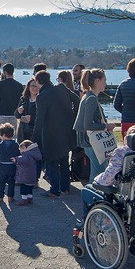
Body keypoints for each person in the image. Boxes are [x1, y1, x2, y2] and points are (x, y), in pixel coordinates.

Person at [31, 70, 76, 198]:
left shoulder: (42, 96)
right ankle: (65, 187)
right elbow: (77, 100)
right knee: (64, 160)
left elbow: (39, 119)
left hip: (50, 132)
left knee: (52, 161)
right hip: (66, 130)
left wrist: (33, 139)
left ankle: (54, 190)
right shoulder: (61, 88)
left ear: (38, 81)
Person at [73, 69, 116, 183]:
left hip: (87, 140)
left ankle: (92, 197)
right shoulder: (91, 99)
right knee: (100, 172)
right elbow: (88, 125)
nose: (105, 83)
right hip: (91, 141)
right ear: (97, 81)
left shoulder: (88, 96)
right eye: (104, 80)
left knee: (96, 171)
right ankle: (93, 197)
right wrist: (106, 126)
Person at [0, 63, 23, 172]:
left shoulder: (0, 84)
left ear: (4, 72)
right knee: (12, 138)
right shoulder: (18, 85)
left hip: (1, 114)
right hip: (13, 115)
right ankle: (11, 161)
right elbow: (21, 100)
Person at [0, 123, 21, 204]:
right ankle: (10, 197)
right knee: (11, 182)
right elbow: (18, 153)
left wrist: (0, 159)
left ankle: (0, 197)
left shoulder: (1, 144)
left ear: (4, 135)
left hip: (3, 165)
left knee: (1, 182)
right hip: (12, 166)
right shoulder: (15, 144)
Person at [11, 140, 42, 206]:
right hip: (31, 174)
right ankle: (29, 198)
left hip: (25, 174)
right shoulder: (33, 153)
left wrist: (16, 159)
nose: (20, 152)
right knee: (29, 187)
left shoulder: (26, 154)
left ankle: (24, 200)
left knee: (24, 188)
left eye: (20, 150)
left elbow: (24, 160)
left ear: (24, 148)